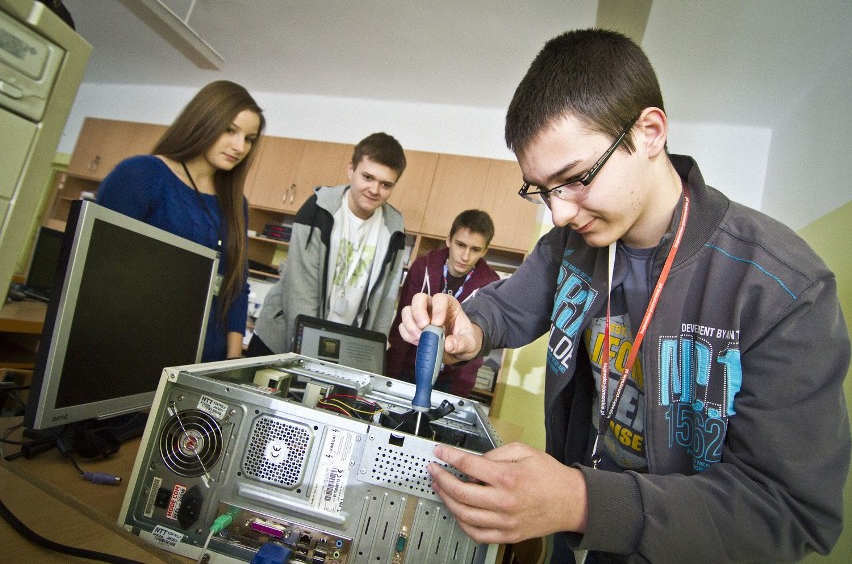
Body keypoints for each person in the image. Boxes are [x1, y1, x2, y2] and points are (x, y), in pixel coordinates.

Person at [398, 29, 851, 563]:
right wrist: (465, 325)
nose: (560, 213)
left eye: (576, 178)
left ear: (650, 131)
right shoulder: (572, 242)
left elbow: (787, 511)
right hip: (575, 533)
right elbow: (505, 306)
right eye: (542, 190)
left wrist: (582, 502)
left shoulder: (783, 287)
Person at [97, 80, 264, 362]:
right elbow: (101, 269)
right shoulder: (142, 175)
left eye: (249, 139)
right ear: (203, 122)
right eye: (230, 130)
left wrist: (232, 361)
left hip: (205, 358)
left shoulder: (236, 204)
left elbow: (236, 285)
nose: (239, 146)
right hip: (135, 347)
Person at [247, 133, 407, 356]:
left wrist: (371, 353)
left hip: (342, 348)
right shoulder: (318, 209)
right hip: (283, 339)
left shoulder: (394, 227)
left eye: (386, 184)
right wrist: (308, 350)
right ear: (351, 169)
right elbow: (299, 290)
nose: (375, 190)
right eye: (367, 177)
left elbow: (385, 299)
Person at [386, 209, 499, 397]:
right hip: (409, 368)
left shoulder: (489, 284)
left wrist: (458, 395)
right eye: (460, 245)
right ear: (449, 240)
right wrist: (390, 375)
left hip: (451, 379)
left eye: (475, 249)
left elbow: (475, 346)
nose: (465, 256)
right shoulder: (423, 267)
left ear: (485, 250)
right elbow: (401, 323)